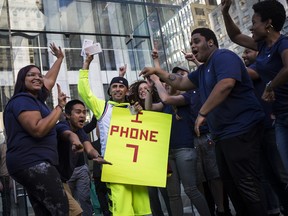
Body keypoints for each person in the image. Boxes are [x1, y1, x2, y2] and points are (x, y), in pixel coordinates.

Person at [140, 27, 267, 216]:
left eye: (197, 41)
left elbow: (226, 84)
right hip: (222, 136)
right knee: (232, 186)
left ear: (210, 42)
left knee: (247, 183)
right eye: (191, 43)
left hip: (241, 131)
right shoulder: (202, 71)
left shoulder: (223, 56)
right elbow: (180, 83)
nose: (193, 46)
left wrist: (202, 112)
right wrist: (158, 71)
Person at [78, 54, 151, 216]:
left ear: (126, 90)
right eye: (114, 86)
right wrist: (86, 64)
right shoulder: (102, 108)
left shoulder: (133, 109)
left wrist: (142, 115)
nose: (118, 89)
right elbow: (84, 92)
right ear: (110, 91)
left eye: (121, 86)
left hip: (135, 165)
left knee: (141, 208)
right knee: (122, 208)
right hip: (113, 166)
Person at [3, 43, 70, 215]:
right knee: (60, 209)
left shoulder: (35, 99)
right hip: (32, 162)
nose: (38, 77)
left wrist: (60, 59)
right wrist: (59, 108)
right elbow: (38, 129)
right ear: (22, 80)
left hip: (33, 162)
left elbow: (48, 80)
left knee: (46, 211)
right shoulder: (23, 100)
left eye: (39, 75)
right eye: (31, 75)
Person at [221, 0, 288, 172]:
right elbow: (235, 36)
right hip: (280, 117)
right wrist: (225, 13)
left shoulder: (283, 44)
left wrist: (270, 86)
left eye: (254, 22)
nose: (251, 28)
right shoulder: (262, 46)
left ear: (268, 23)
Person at [242, 47, 288, 216]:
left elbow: (245, 73)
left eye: (247, 52)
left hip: (272, 127)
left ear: (258, 54)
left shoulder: (259, 69)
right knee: (269, 177)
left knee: (282, 174)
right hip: (257, 130)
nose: (244, 55)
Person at [56, 99, 111, 216]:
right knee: (73, 211)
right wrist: (76, 142)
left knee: (78, 208)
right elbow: (70, 135)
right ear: (67, 115)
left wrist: (98, 156)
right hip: (55, 178)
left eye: (84, 112)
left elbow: (89, 149)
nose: (82, 115)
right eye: (78, 112)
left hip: (66, 177)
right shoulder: (62, 126)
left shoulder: (81, 131)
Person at [0, 139, 12, 216]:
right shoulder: (2, 145)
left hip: (7, 177)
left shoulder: (9, 145)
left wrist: (11, 179)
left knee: (7, 202)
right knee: (6, 202)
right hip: (3, 177)